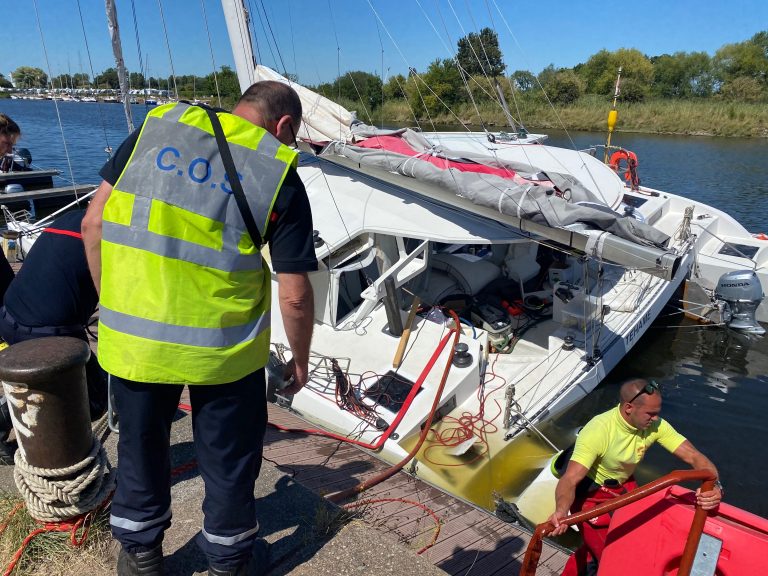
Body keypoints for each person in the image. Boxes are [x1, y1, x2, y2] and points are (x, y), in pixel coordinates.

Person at [81, 81, 316, 576]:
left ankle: (142, 556)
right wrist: (299, 360)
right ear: (285, 127)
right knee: (229, 461)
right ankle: (229, 563)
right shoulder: (277, 171)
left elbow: (93, 224)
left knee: (140, 447)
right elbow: (294, 293)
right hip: (224, 354)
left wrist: (115, 305)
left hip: (137, 343)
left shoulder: (155, 128)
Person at [547, 378, 723, 575]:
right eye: (651, 414)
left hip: (622, 485)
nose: (656, 419)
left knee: (634, 539)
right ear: (629, 408)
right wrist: (561, 511)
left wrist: (715, 485)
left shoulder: (655, 425)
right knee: (611, 555)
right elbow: (570, 479)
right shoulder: (599, 430)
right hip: (591, 495)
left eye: (658, 413)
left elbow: (694, 456)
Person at [0, 209, 108, 458]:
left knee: (83, 380)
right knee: (93, 401)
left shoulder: (74, 217)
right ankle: (22, 431)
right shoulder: (113, 233)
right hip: (48, 330)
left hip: (11, 312)